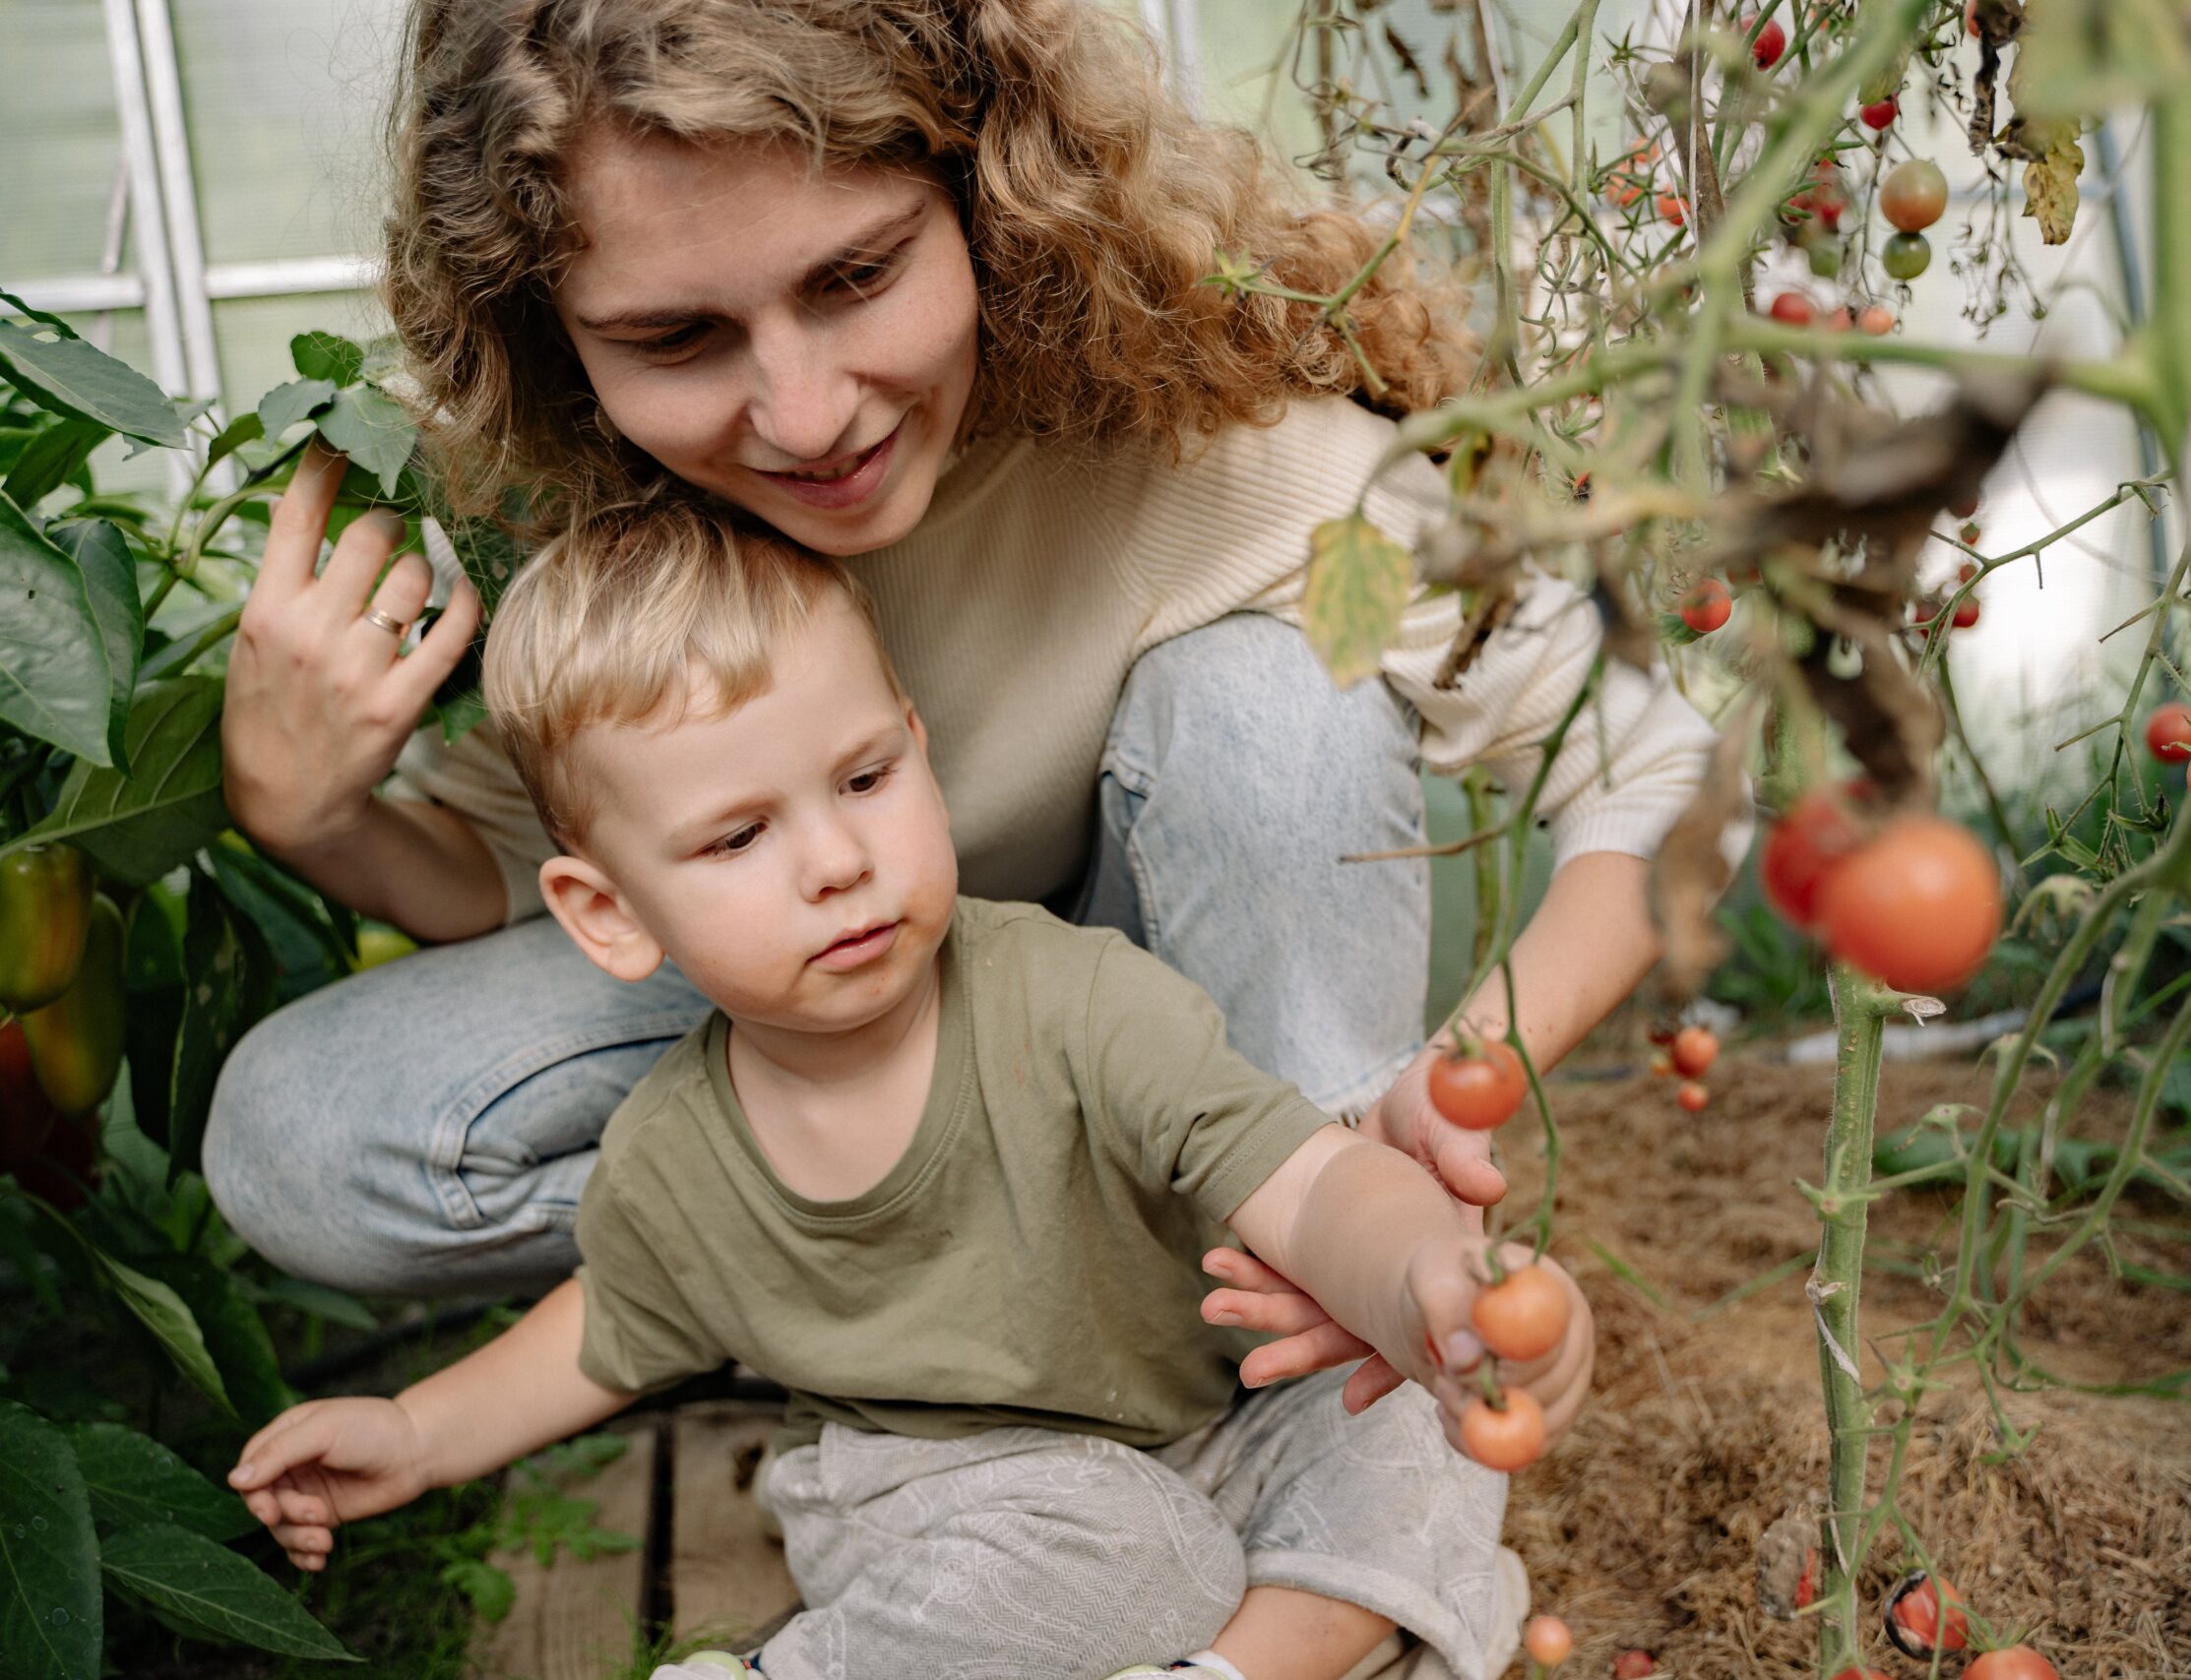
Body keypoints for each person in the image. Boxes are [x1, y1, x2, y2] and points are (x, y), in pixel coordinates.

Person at [206, 0, 1740, 1408]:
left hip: (1190, 1056)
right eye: (677, 338)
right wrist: (311, 814)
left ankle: (1315, 1285)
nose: (804, 417)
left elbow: (1656, 768)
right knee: (299, 1138)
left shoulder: (1225, 447)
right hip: (847, 1044)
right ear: (555, 330)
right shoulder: (604, 508)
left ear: (990, 198)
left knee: (1271, 702)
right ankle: (996, 1312)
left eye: (857, 276)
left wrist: (1454, 1073)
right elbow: (530, 873)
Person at [227, 503, 1595, 1680]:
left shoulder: (1076, 1002)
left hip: (1202, 1421)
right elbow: (606, 1337)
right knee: (1135, 1545)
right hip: (930, 1486)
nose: (835, 860)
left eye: (867, 778)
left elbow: (1302, 1177)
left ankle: (1223, 1670)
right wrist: (414, 1434)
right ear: (607, 913)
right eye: (739, 835)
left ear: (918, 747)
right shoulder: (679, 1146)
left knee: (1413, 1434)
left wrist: (1422, 1269)